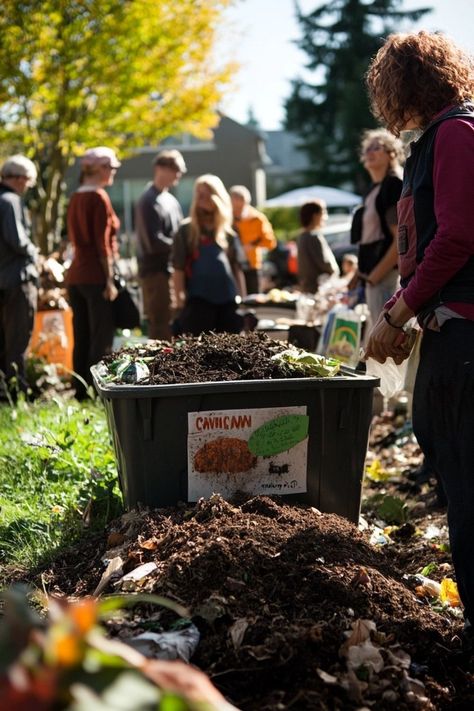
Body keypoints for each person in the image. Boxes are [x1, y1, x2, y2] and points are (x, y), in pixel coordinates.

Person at [364, 30, 474, 654]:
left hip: (465, 339)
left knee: (466, 483)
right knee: (448, 462)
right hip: (447, 331)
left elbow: (457, 236)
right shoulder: (434, 142)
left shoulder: (457, 135)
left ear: (404, 85)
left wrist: (400, 310)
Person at [66, 146, 121, 399]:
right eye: (110, 167)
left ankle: (80, 390)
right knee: (101, 335)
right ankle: (99, 392)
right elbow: (102, 244)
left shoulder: (76, 196)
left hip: (76, 275)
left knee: (82, 334)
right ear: (97, 169)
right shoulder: (98, 197)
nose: (114, 172)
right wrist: (109, 279)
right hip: (95, 276)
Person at [172, 175, 246, 336]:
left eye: (207, 194)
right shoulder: (186, 230)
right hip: (198, 298)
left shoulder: (228, 232)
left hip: (228, 298)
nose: (202, 198)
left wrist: (243, 299)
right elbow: (178, 267)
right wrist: (179, 299)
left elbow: (236, 267)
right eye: (199, 194)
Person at [351, 128, 404, 328]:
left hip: (385, 278)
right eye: (367, 148)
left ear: (391, 154)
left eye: (377, 148)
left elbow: (401, 239)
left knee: (385, 345)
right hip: (373, 278)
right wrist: (359, 275)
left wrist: (374, 277)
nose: (370, 152)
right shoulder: (374, 189)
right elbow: (369, 236)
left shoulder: (392, 186)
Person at [135, 149, 186, 340]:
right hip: (155, 273)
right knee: (160, 324)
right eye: (174, 169)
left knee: (172, 322)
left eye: (180, 170)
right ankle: (158, 369)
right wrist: (180, 247)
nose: (178, 174)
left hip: (171, 270)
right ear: (159, 168)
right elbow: (152, 243)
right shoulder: (147, 201)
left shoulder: (170, 200)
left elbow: (179, 233)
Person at [0, 155, 38, 395]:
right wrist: (35, 251)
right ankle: (17, 393)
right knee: (18, 339)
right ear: (20, 178)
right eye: (28, 181)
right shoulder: (10, 200)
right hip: (17, 279)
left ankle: (5, 389)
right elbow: (18, 240)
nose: (27, 186)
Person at [230, 185, 276, 294]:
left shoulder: (257, 219)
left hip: (251, 266)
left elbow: (270, 242)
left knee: (253, 298)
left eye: (240, 205)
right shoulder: (226, 218)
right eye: (234, 205)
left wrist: (252, 245)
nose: (237, 209)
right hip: (233, 265)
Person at [296, 199, 339, 293]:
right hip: (319, 289)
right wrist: (334, 271)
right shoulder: (313, 237)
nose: (325, 217)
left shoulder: (302, 236)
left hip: (307, 287)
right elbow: (325, 263)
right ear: (315, 216)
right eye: (323, 213)